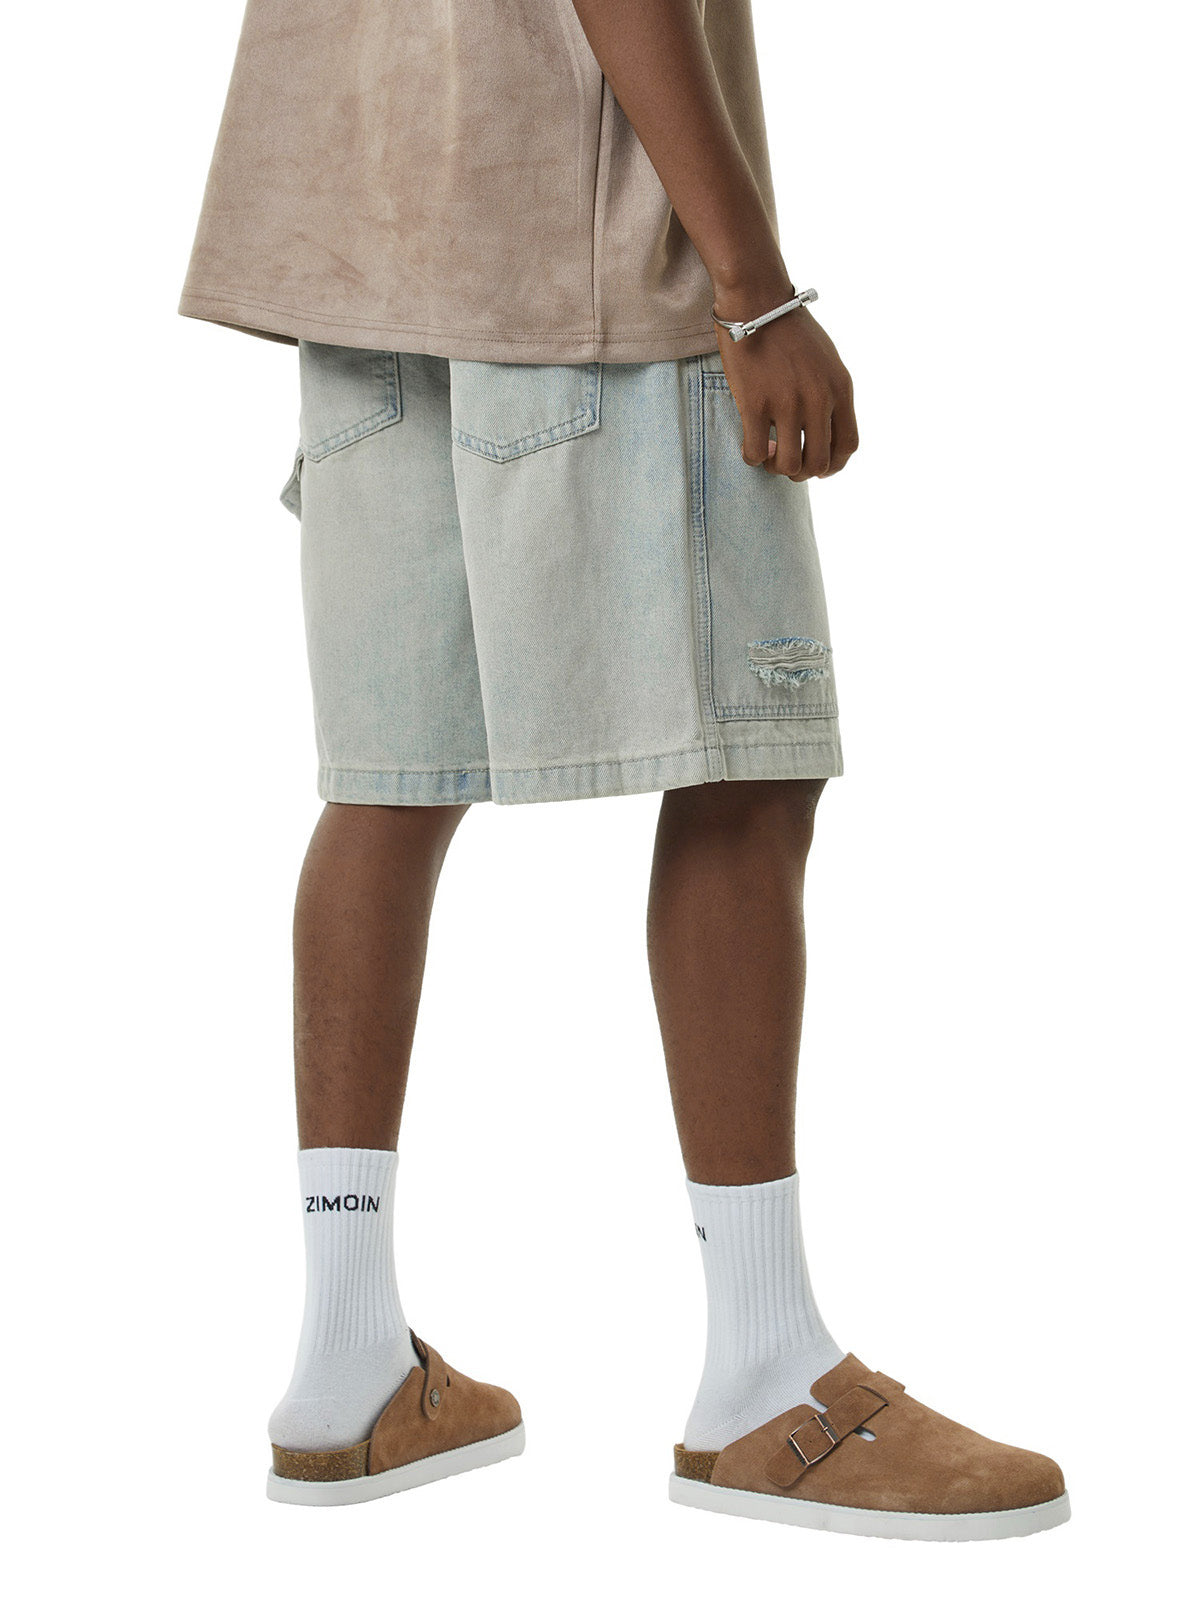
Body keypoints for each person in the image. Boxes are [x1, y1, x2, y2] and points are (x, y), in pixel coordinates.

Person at [180, 0, 1068, 1537]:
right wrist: (756, 292)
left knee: (387, 786)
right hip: (581, 254)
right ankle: (768, 1379)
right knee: (743, 773)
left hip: (370, 249)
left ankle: (347, 1368)